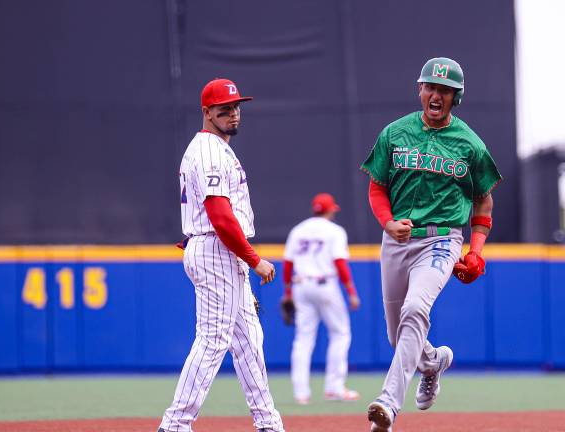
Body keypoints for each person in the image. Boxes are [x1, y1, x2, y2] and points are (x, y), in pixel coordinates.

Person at [359, 57, 502, 432]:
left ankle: (388, 404)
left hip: (441, 239)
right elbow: (377, 187)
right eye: (431, 87)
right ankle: (433, 362)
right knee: (397, 334)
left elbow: (483, 201)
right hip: (396, 241)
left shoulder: (470, 144)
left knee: (415, 308)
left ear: (457, 97)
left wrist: (476, 250)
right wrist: (387, 222)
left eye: (446, 90)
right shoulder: (394, 133)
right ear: (420, 89)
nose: (437, 95)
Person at [158, 78, 285, 432]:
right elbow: (219, 214)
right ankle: (175, 424)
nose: (233, 113)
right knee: (214, 339)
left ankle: (268, 422)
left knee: (248, 340)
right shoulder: (210, 150)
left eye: (236, 106)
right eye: (223, 109)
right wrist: (253, 258)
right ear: (206, 112)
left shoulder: (213, 149)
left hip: (215, 246)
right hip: (219, 247)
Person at [281, 193, 361, 405]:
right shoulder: (335, 231)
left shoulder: (298, 230)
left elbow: (288, 264)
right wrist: (351, 291)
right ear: (331, 210)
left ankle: (301, 393)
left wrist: (288, 292)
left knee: (303, 338)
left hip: (300, 285)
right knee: (340, 333)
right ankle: (334, 388)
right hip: (325, 285)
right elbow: (340, 263)